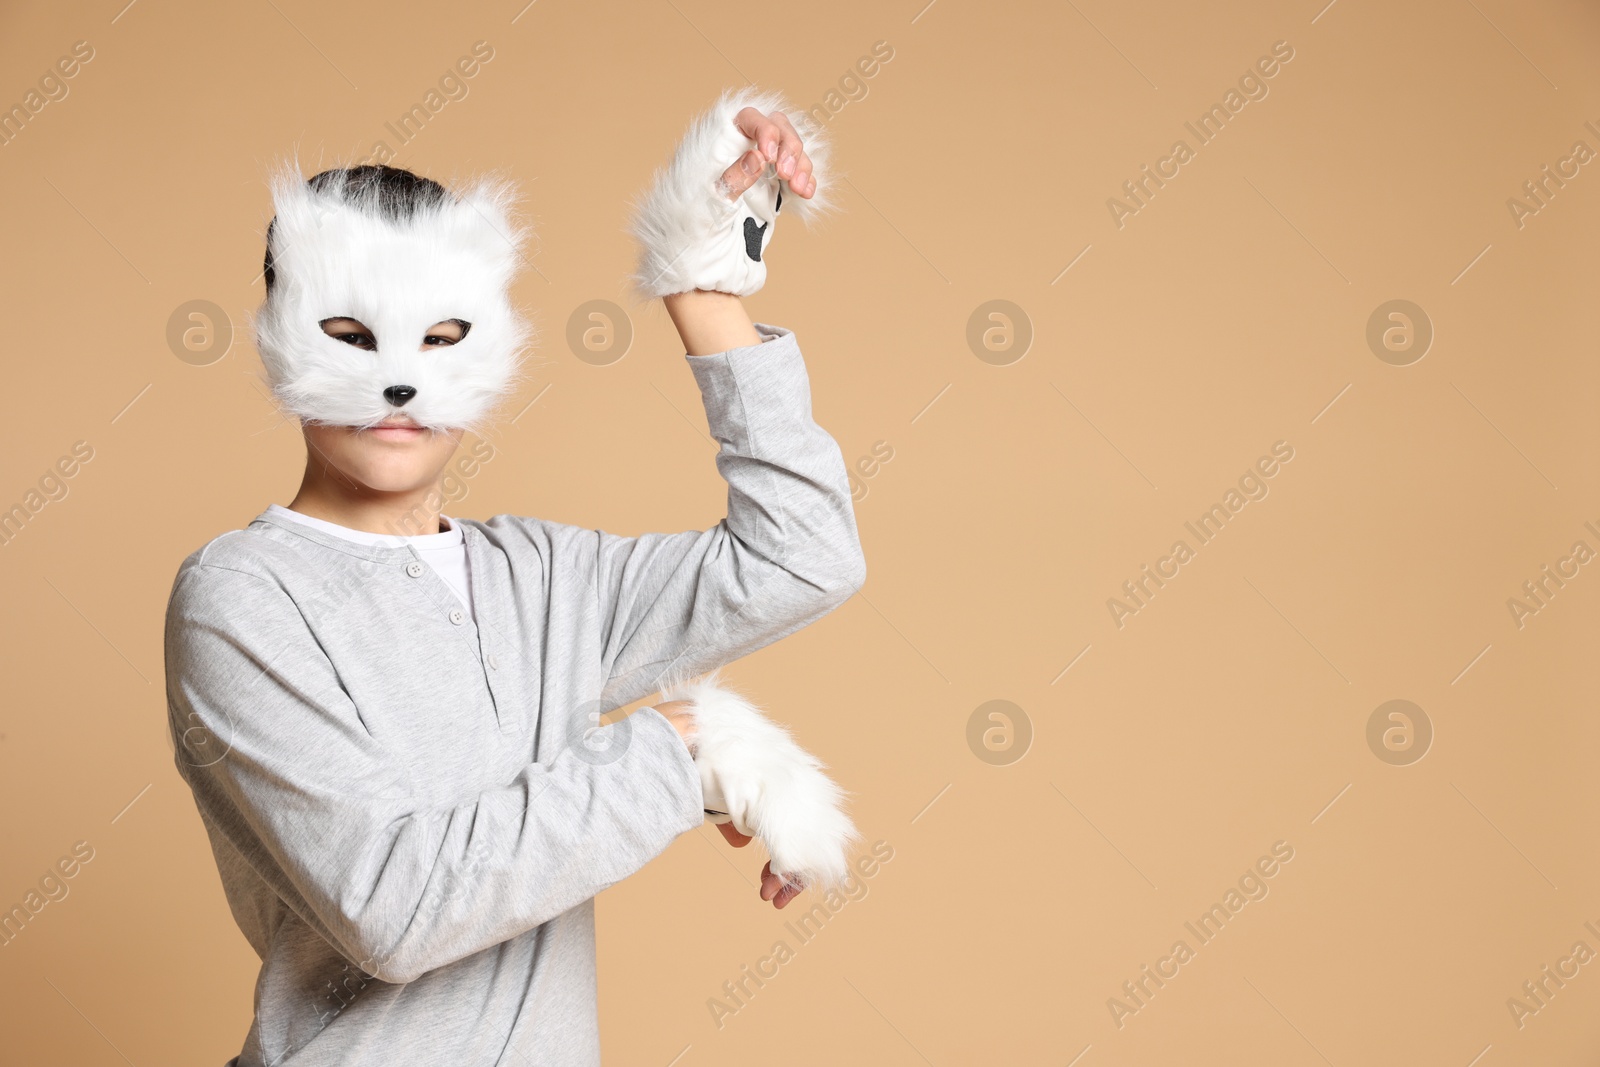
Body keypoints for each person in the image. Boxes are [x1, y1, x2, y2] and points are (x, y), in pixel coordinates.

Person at [163, 89, 863, 1065]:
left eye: (440, 338)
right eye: (352, 337)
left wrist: (702, 283)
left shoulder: (543, 576)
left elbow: (802, 553)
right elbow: (394, 910)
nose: (399, 383)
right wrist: (674, 754)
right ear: (286, 334)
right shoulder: (243, 597)